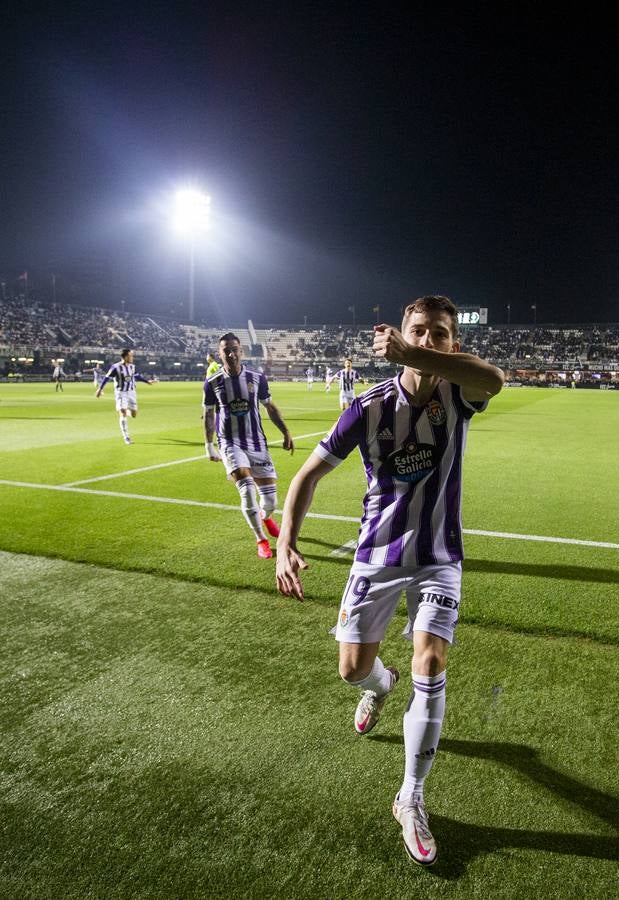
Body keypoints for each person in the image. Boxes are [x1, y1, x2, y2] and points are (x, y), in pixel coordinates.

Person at [275, 295, 505, 867]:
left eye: (441, 334)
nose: (430, 341)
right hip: (376, 554)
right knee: (352, 669)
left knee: (432, 661)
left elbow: (495, 380)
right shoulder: (368, 407)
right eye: (420, 331)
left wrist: (423, 357)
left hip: (438, 556)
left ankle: (411, 796)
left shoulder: (459, 394)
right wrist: (285, 543)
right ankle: (381, 685)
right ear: (399, 335)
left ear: (453, 342)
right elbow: (308, 474)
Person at [203, 332, 294, 558]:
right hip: (230, 442)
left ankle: (266, 516)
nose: (231, 354)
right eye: (226, 350)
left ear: (241, 350)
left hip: (257, 442)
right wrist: (209, 445)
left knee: (270, 501)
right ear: (220, 353)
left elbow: (270, 407)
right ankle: (260, 539)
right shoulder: (212, 383)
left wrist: (286, 432)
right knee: (247, 492)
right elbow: (207, 415)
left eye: (235, 349)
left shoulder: (257, 378)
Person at [97, 348, 156, 444]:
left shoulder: (132, 366)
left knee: (134, 414)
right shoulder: (115, 367)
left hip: (132, 392)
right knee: (123, 413)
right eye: (130, 355)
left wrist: (147, 381)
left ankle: (126, 410)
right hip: (121, 392)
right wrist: (100, 389)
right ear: (125, 357)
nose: (132, 357)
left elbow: (136, 376)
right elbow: (107, 377)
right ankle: (126, 437)